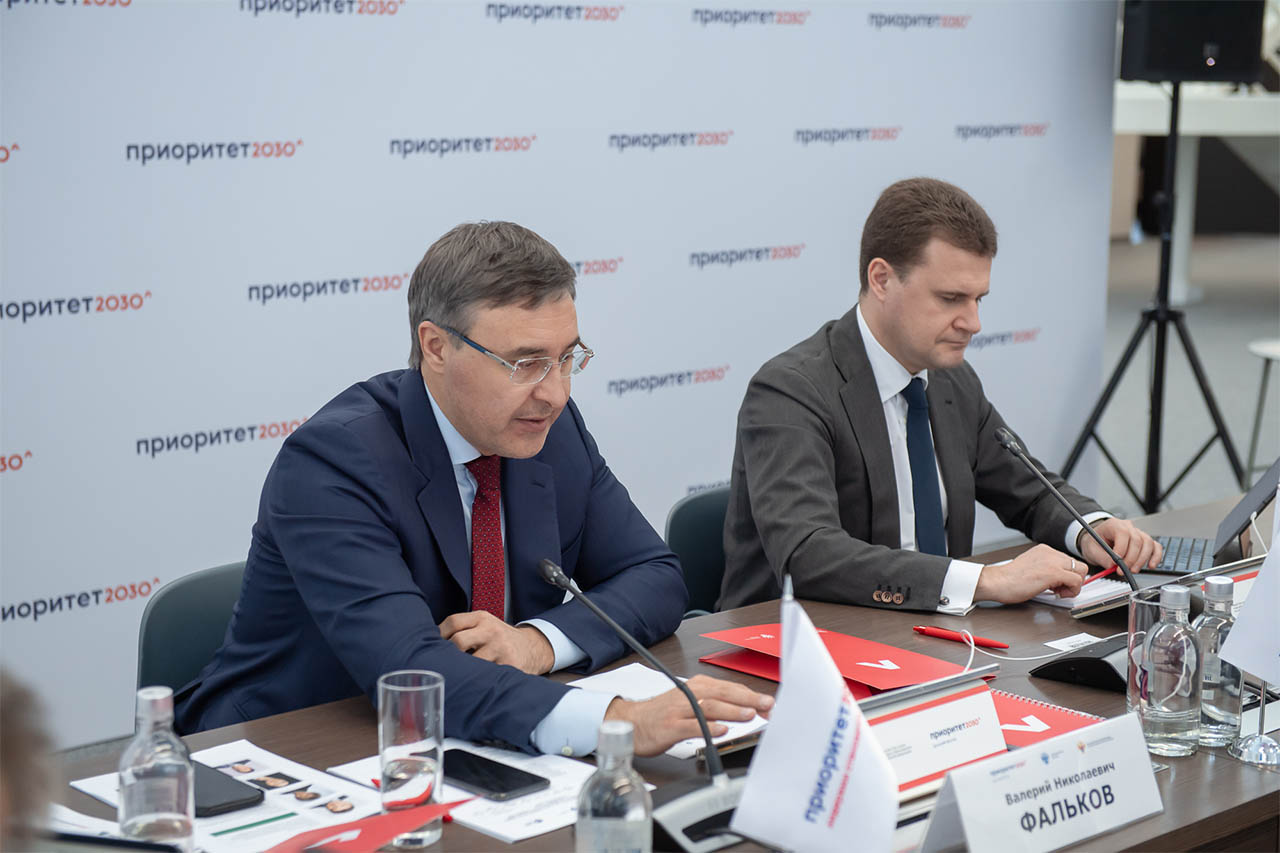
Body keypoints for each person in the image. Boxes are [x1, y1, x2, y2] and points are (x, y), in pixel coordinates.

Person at [176, 222, 771, 756]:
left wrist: (538, 643)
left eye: (567, 358)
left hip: (472, 743)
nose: (555, 393)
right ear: (436, 347)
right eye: (525, 363)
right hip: (293, 752)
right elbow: (410, 673)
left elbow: (655, 576)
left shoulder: (550, 429)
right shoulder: (335, 460)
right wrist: (617, 722)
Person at [720, 178, 1162, 613]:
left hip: (933, 634)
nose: (973, 323)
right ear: (882, 279)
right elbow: (809, 554)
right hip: (798, 642)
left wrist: (1090, 529)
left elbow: (1030, 492)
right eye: (951, 298)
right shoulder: (790, 391)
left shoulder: (952, 382)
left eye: (978, 299)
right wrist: (985, 580)